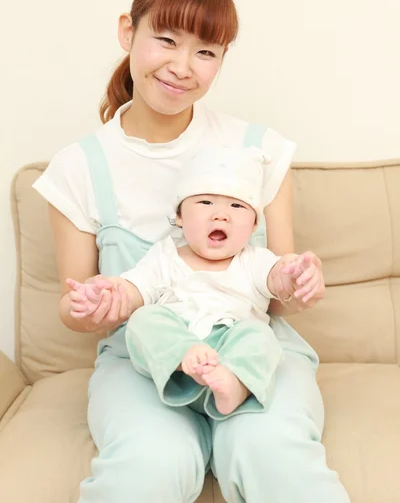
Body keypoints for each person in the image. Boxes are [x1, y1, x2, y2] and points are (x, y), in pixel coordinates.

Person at [33, 0, 350, 502]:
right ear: (127, 32)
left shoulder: (258, 150)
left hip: (252, 343)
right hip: (143, 357)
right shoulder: (79, 168)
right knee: (148, 466)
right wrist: (97, 306)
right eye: (166, 39)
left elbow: (278, 290)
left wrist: (299, 284)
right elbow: (73, 307)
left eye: (206, 51)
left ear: (222, 60)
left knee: (271, 453)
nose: (183, 66)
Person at [66, 145, 320, 420]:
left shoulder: (254, 260)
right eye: (205, 203)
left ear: (254, 225)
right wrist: (108, 294)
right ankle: (185, 355)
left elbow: (278, 276)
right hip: (177, 357)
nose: (221, 215)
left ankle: (236, 383)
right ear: (180, 216)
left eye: (236, 206)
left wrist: (295, 272)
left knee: (260, 336)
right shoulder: (165, 257)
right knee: (144, 320)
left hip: (231, 349)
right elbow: (134, 289)